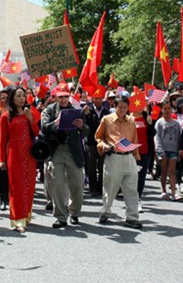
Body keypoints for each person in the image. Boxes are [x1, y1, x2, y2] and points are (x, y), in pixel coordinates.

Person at [41, 83, 89, 228]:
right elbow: (43, 128)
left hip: (72, 150)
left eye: (66, 97)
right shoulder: (49, 110)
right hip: (56, 150)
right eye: (60, 97)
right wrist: (55, 123)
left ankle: (74, 212)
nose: (63, 100)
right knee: (57, 184)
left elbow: (86, 132)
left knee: (78, 184)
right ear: (55, 97)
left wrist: (81, 126)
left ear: (69, 97)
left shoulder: (76, 111)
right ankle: (61, 216)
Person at [95, 95, 142, 229]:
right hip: (113, 156)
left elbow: (134, 138)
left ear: (128, 108)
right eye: (120, 107)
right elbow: (98, 137)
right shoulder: (106, 119)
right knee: (110, 188)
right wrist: (102, 145)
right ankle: (105, 211)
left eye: (125, 107)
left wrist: (136, 157)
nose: (122, 110)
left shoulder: (132, 121)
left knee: (132, 188)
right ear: (114, 106)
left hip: (128, 156)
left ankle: (132, 217)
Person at [0, 87, 39, 233]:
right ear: (12, 98)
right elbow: (3, 140)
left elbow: (36, 132)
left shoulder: (30, 112)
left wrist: (30, 119)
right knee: (16, 187)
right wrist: (1, 159)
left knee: (29, 185)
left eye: (23, 95)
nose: (22, 98)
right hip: (14, 155)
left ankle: (27, 215)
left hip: (29, 155)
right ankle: (17, 220)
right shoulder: (6, 116)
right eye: (18, 96)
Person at [84, 87, 110, 197]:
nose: (98, 100)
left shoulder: (106, 111)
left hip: (102, 142)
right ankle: (93, 188)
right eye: (96, 98)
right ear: (92, 99)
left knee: (102, 165)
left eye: (100, 98)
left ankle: (101, 187)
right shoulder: (87, 110)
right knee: (91, 166)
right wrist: (85, 114)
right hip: (91, 142)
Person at [155, 100, 183, 201]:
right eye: (165, 108)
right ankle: (163, 191)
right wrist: (159, 150)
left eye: (168, 108)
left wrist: (179, 149)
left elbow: (180, 137)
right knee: (164, 171)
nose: (167, 110)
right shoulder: (159, 122)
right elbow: (157, 137)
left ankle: (174, 193)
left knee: (172, 171)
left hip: (173, 150)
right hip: (163, 150)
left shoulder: (176, 124)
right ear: (161, 110)